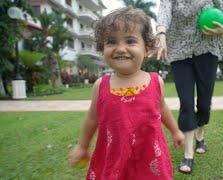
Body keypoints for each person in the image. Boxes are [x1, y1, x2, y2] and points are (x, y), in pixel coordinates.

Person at [67, 7, 184, 179]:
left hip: (149, 158)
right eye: (112, 42)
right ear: (102, 48)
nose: (120, 48)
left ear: (147, 48)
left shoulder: (155, 81)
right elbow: (92, 118)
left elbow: (162, 109)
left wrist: (175, 131)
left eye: (130, 41)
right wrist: (83, 146)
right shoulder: (101, 86)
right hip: (114, 157)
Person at [156, 0, 223, 174]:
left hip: (208, 49)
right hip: (179, 52)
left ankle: (200, 135)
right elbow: (164, 11)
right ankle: (188, 154)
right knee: (186, 102)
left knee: (204, 104)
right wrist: (161, 34)